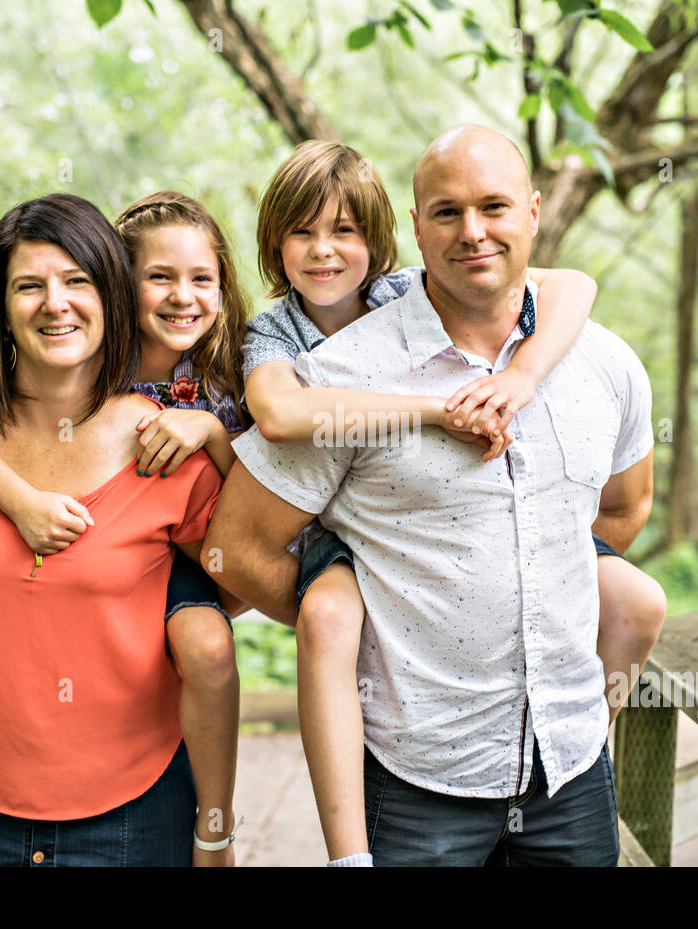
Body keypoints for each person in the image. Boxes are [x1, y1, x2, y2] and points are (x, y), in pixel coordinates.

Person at [206, 126, 663, 866]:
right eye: (447, 212)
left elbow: (622, 509)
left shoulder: (603, 362)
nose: (473, 231)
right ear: (417, 229)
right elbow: (235, 551)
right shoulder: (336, 370)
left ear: (535, 213)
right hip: (418, 782)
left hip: (572, 768)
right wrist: (370, 631)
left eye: (494, 207)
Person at [0, 193, 225, 865]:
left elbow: (233, 576)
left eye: (76, 281)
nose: (54, 302)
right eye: (29, 285)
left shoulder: (166, 441)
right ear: (1, 305)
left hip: (132, 811)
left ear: (110, 292)